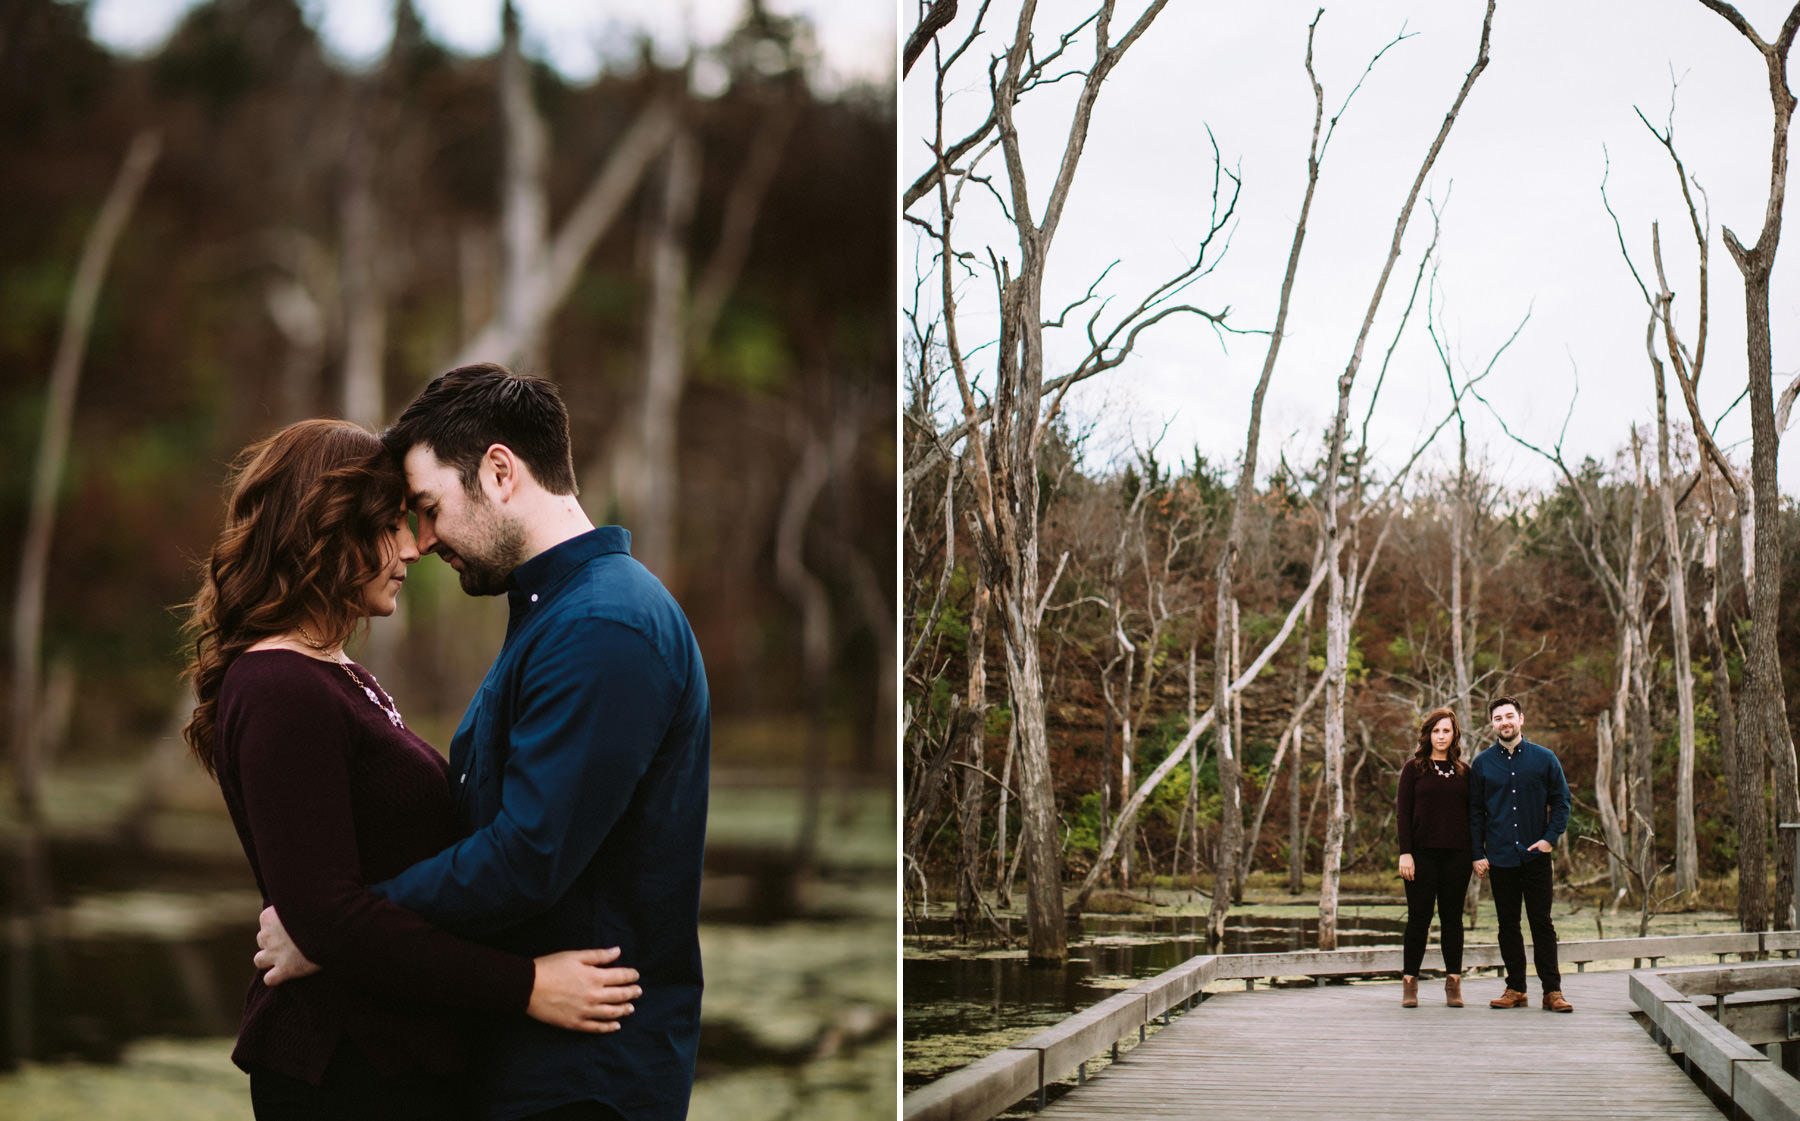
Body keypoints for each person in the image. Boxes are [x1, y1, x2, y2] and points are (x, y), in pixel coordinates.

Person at [255, 365, 711, 1121]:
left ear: (500, 472)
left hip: (583, 1081)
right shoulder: (559, 615)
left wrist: (336, 926)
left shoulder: (603, 625)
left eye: (429, 507)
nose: (423, 540)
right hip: (536, 1068)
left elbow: (527, 855)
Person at [182, 419, 643, 1120]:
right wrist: (526, 985)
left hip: (401, 1057)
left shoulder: (332, 674)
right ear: (325, 530)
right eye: (387, 526)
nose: (411, 546)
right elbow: (328, 914)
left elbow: (332, 910)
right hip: (345, 1066)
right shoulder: (278, 686)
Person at [1470, 694, 1573, 1013]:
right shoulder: (1483, 763)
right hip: (1500, 858)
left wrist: (1549, 839)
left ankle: (1552, 992)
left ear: (1521, 719)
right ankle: (1515, 988)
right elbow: (1474, 812)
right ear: (1492, 725)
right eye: (1498, 718)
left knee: (1541, 922)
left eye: (1509, 716)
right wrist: (1477, 853)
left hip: (1536, 856)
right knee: (1507, 925)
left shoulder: (1544, 758)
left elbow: (1561, 801)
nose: (1504, 722)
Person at [1395, 706, 1473, 1008]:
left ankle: (1453, 985)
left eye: (1446, 731)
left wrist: (1476, 854)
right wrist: (1406, 853)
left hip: (1457, 855)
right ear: (1428, 734)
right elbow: (1403, 814)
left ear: (1454, 735)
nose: (1441, 736)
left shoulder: (1465, 772)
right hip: (1421, 856)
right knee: (1419, 918)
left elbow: (1473, 814)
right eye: (1436, 730)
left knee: (1452, 919)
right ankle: (1410, 984)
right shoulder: (1413, 769)